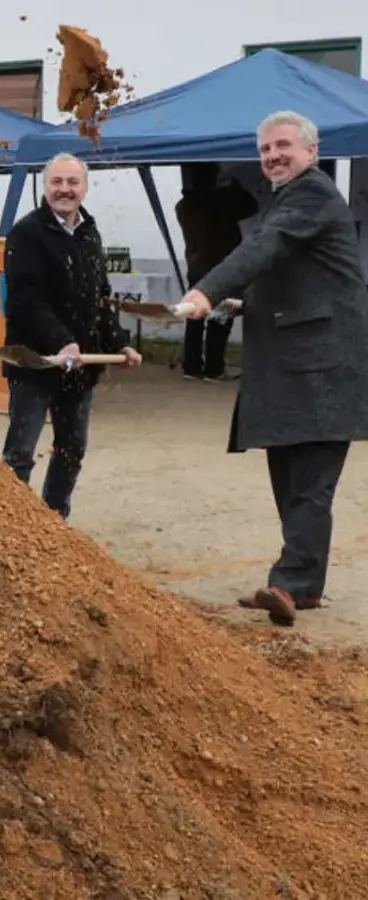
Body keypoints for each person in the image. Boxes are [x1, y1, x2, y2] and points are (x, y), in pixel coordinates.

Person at [181, 111, 368, 627]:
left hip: (323, 367)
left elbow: (266, 248)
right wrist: (245, 303)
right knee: (289, 478)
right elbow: (288, 268)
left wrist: (207, 290)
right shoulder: (289, 199)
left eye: (283, 145)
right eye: (265, 149)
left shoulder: (311, 193)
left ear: (311, 151)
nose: (272, 156)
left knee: (309, 484)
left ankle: (291, 581)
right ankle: (303, 584)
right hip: (296, 365)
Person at [0, 153, 142, 520]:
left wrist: (119, 341)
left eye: (72, 182)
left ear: (85, 187)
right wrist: (61, 340)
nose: (64, 190)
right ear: (45, 187)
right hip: (35, 361)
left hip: (79, 366)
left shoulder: (89, 231)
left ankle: (53, 522)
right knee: (20, 452)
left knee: (72, 448)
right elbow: (26, 301)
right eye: (57, 182)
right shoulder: (25, 233)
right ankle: (11, 528)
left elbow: (100, 295)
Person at [174, 163, 258, 381]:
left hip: (195, 264)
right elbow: (251, 206)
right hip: (222, 265)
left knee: (193, 314)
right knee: (220, 316)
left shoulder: (184, 205)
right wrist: (234, 187)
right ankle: (213, 367)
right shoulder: (223, 200)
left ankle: (191, 366)